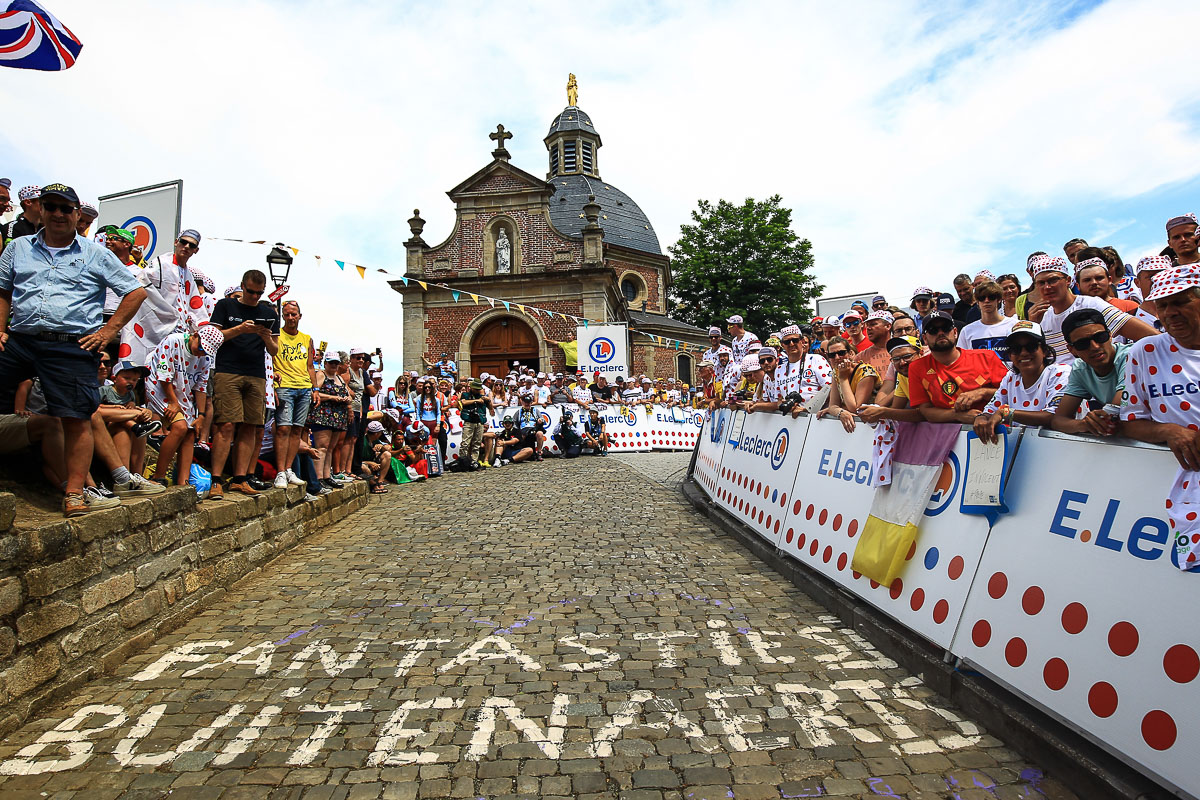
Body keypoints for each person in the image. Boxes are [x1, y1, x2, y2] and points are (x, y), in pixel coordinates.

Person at [0, 184, 148, 516]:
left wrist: (108, 331)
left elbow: (135, 292)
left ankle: (74, 492)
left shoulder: (96, 254)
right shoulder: (19, 247)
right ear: (40, 210)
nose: (57, 214)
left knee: (77, 418)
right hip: (21, 339)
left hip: (71, 344)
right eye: (50, 206)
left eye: (65, 208)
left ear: (77, 214)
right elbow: (3, 290)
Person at [1120, 265, 1200, 570]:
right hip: (1173, 486)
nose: (1171, 312)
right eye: (1163, 305)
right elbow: (1131, 421)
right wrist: (1169, 431)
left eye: (1181, 301)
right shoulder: (1145, 351)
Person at [207, 269, 280, 497]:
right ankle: (216, 480)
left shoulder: (268, 312)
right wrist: (240, 329)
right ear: (242, 287)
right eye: (250, 292)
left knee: (251, 427)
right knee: (226, 425)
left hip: (256, 374)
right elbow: (214, 337)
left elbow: (274, 349)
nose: (254, 297)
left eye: (259, 293)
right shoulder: (225, 306)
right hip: (228, 371)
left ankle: (240, 478)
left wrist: (264, 334)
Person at [1027, 256, 1155, 364]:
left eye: (1053, 280)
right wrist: (1034, 327)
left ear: (1068, 281)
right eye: (1041, 283)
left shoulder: (1091, 304)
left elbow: (1150, 336)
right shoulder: (1042, 318)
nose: (1047, 287)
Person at [146, 325, 223, 487]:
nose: (201, 352)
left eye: (205, 351)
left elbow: (201, 387)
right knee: (180, 427)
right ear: (195, 336)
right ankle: (158, 476)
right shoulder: (173, 341)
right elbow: (164, 375)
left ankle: (183, 481)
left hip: (182, 390)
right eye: (200, 347)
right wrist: (173, 402)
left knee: (190, 433)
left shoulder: (205, 357)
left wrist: (201, 415)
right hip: (159, 387)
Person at [119, 229, 206, 366]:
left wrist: (196, 323)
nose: (187, 247)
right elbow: (141, 287)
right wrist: (168, 313)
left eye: (192, 245)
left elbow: (195, 306)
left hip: (177, 335)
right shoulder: (161, 264)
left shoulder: (188, 275)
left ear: (196, 250)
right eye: (184, 242)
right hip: (155, 327)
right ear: (176, 242)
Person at [973, 322, 1071, 443]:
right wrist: (981, 418)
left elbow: (1055, 416)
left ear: (1044, 351)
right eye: (1016, 349)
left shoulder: (1060, 373)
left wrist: (1007, 414)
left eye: (1031, 347)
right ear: (1010, 355)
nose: (1024, 353)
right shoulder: (1011, 378)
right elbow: (991, 410)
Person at [907, 310, 1009, 424]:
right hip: (950, 435)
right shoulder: (916, 368)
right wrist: (957, 415)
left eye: (946, 328)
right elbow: (925, 410)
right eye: (933, 330)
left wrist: (982, 393)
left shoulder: (986, 357)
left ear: (955, 332)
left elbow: (1011, 394)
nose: (940, 333)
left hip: (994, 428)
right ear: (925, 338)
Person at [1050, 308, 1130, 437]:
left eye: (1100, 337)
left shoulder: (1131, 356)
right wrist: (1084, 424)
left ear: (1110, 335)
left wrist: (1095, 422)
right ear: (1072, 350)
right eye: (1083, 344)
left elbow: (1114, 411)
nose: (1095, 347)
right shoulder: (1080, 368)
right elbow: (1058, 420)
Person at [271, 300, 317, 489]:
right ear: (283, 316)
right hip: (284, 386)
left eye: (294, 314)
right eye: (287, 314)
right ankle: (280, 471)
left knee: (297, 430)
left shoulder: (307, 338)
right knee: (283, 429)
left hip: (304, 387)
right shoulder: (277, 335)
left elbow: (310, 366)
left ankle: (289, 469)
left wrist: (315, 389)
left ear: (299, 316)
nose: (291, 318)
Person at [97, 360, 160, 477]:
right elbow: (96, 407)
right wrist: (115, 407)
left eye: (135, 380)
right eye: (127, 378)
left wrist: (137, 409)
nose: (131, 382)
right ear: (114, 379)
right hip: (106, 428)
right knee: (123, 424)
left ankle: (137, 474)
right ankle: (125, 476)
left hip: (124, 426)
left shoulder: (130, 395)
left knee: (139, 432)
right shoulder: (104, 391)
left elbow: (132, 406)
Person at [308, 352, 351, 489]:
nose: (333, 365)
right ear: (325, 363)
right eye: (331, 363)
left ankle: (327, 476)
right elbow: (314, 392)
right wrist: (332, 397)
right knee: (322, 447)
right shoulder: (321, 375)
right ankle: (318, 477)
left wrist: (347, 400)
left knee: (331, 448)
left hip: (337, 417)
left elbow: (349, 393)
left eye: (336, 363)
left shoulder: (339, 378)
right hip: (323, 415)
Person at [859, 336, 925, 424]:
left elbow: (925, 414)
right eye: (896, 359)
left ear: (921, 353)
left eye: (907, 356)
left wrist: (882, 412)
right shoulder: (903, 376)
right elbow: (896, 409)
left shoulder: (931, 373)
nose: (902, 363)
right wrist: (874, 413)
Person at [957, 280, 1017, 362]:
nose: (986, 301)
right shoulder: (966, 331)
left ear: (999, 299)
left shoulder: (1014, 325)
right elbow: (961, 361)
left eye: (991, 297)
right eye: (982, 298)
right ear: (977, 301)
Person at [825, 337, 878, 418]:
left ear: (850, 353)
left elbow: (855, 409)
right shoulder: (836, 371)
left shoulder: (866, 372)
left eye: (841, 353)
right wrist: (840, 412)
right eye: (832, 355)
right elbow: (833, 406)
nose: (837, 358)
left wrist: (843, 379)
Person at [1133, 255, 1171, 332]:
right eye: (1151, 276)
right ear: (1137, 282)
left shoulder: (1184, 313)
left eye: (1163, 274)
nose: (1158, 279)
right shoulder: (1130, 319)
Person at [458, 378, 488, 470]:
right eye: (475, 389)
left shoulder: (482, 396)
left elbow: (490, 408)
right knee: (465, 443)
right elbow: (463, 402)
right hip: (469, 421)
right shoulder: (465, 395)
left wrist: (488, 400)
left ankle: (474, 461)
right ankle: (463, 461)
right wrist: (477, 401)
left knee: (477, 443)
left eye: (478, 389)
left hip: (479, 422)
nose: (477, 391)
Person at [359, 420, 391, 494]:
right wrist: (370, 463)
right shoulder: (363, 442)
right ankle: (373, 484)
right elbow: (356, 461)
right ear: (376, 433)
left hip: (373, 463)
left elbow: (388, 449)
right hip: (363, 465)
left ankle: (380, 481)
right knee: (365, 468)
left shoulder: (375, 441)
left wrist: (382, 447)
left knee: (387, 455)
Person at [858, 310, 893, 375]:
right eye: (867, 325)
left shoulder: (902, 350)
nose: (868, 328)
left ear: (888, 326)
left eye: (873, 324)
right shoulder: (860, 357)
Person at [514, 393, 545, 460]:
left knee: (540, 433)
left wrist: (540, 420)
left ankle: (539, 452)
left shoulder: (535, 410)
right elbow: (514, 423)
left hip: (534, 429)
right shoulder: (519, 412)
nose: (527, 404)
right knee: (520, 436)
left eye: (528, 402)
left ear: (531, 403)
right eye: (525, 402)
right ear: (522, 403)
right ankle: (522, 453)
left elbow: (543, 420)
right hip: (523, 429)